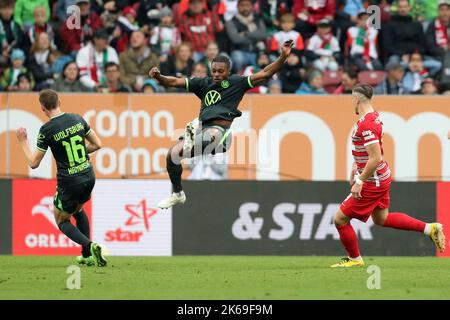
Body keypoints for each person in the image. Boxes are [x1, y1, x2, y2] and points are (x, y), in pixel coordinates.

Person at [149, 39, 294, 209]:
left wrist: (283, 57)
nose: (216, 74)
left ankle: (192, 134)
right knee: (172, 155)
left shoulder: (236, 83)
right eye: (214, 71)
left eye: (220, 71)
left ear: (228, 71)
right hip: (204, 134)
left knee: (211, 134)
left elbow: (265, 74)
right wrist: (158, 76)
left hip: (221, 134)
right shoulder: (203, 84)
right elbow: (173, 82)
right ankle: (178, 194)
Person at [331, 84, 445, 268]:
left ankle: (355, 260)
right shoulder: (373, 117)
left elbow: (375, 158)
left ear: (357, 99)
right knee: (381, 218)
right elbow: (370, 152)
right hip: (381, 177)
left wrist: (360, 180)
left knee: (340, 219)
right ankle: (430, 228)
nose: (351, 102)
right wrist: (357, 163)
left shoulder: (367, 124)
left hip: (372, 181)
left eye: (352, 98)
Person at [15, 89, 107, 267]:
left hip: (70, 181)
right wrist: (77, 149)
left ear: (42, 108)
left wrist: (23, 141)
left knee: (62, 220)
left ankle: (90, 245)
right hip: (88, 175)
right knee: (78, 210)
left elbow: (34, 163)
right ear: (60, 101)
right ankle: (87, 256)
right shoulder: (77, 119)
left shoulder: (47, 130)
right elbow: (98, 144)